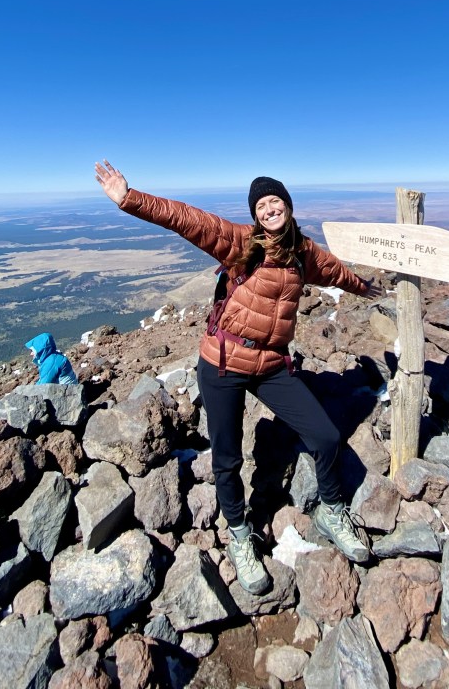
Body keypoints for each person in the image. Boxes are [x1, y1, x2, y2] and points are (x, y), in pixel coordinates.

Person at [95, 160, 381, 594]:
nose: (269, 209)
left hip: (269, 366)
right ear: (254, 215)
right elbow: (187, 219)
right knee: (227, 459)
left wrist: (365, 287)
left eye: (275, 201)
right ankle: (239, 534)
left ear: (287, 205)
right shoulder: (242, 242)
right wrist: (130, 199)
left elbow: (336, 273)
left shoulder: (304, 252)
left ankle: (331, 508)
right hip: (223, 364)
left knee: (324, 436)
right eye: (261, 205)